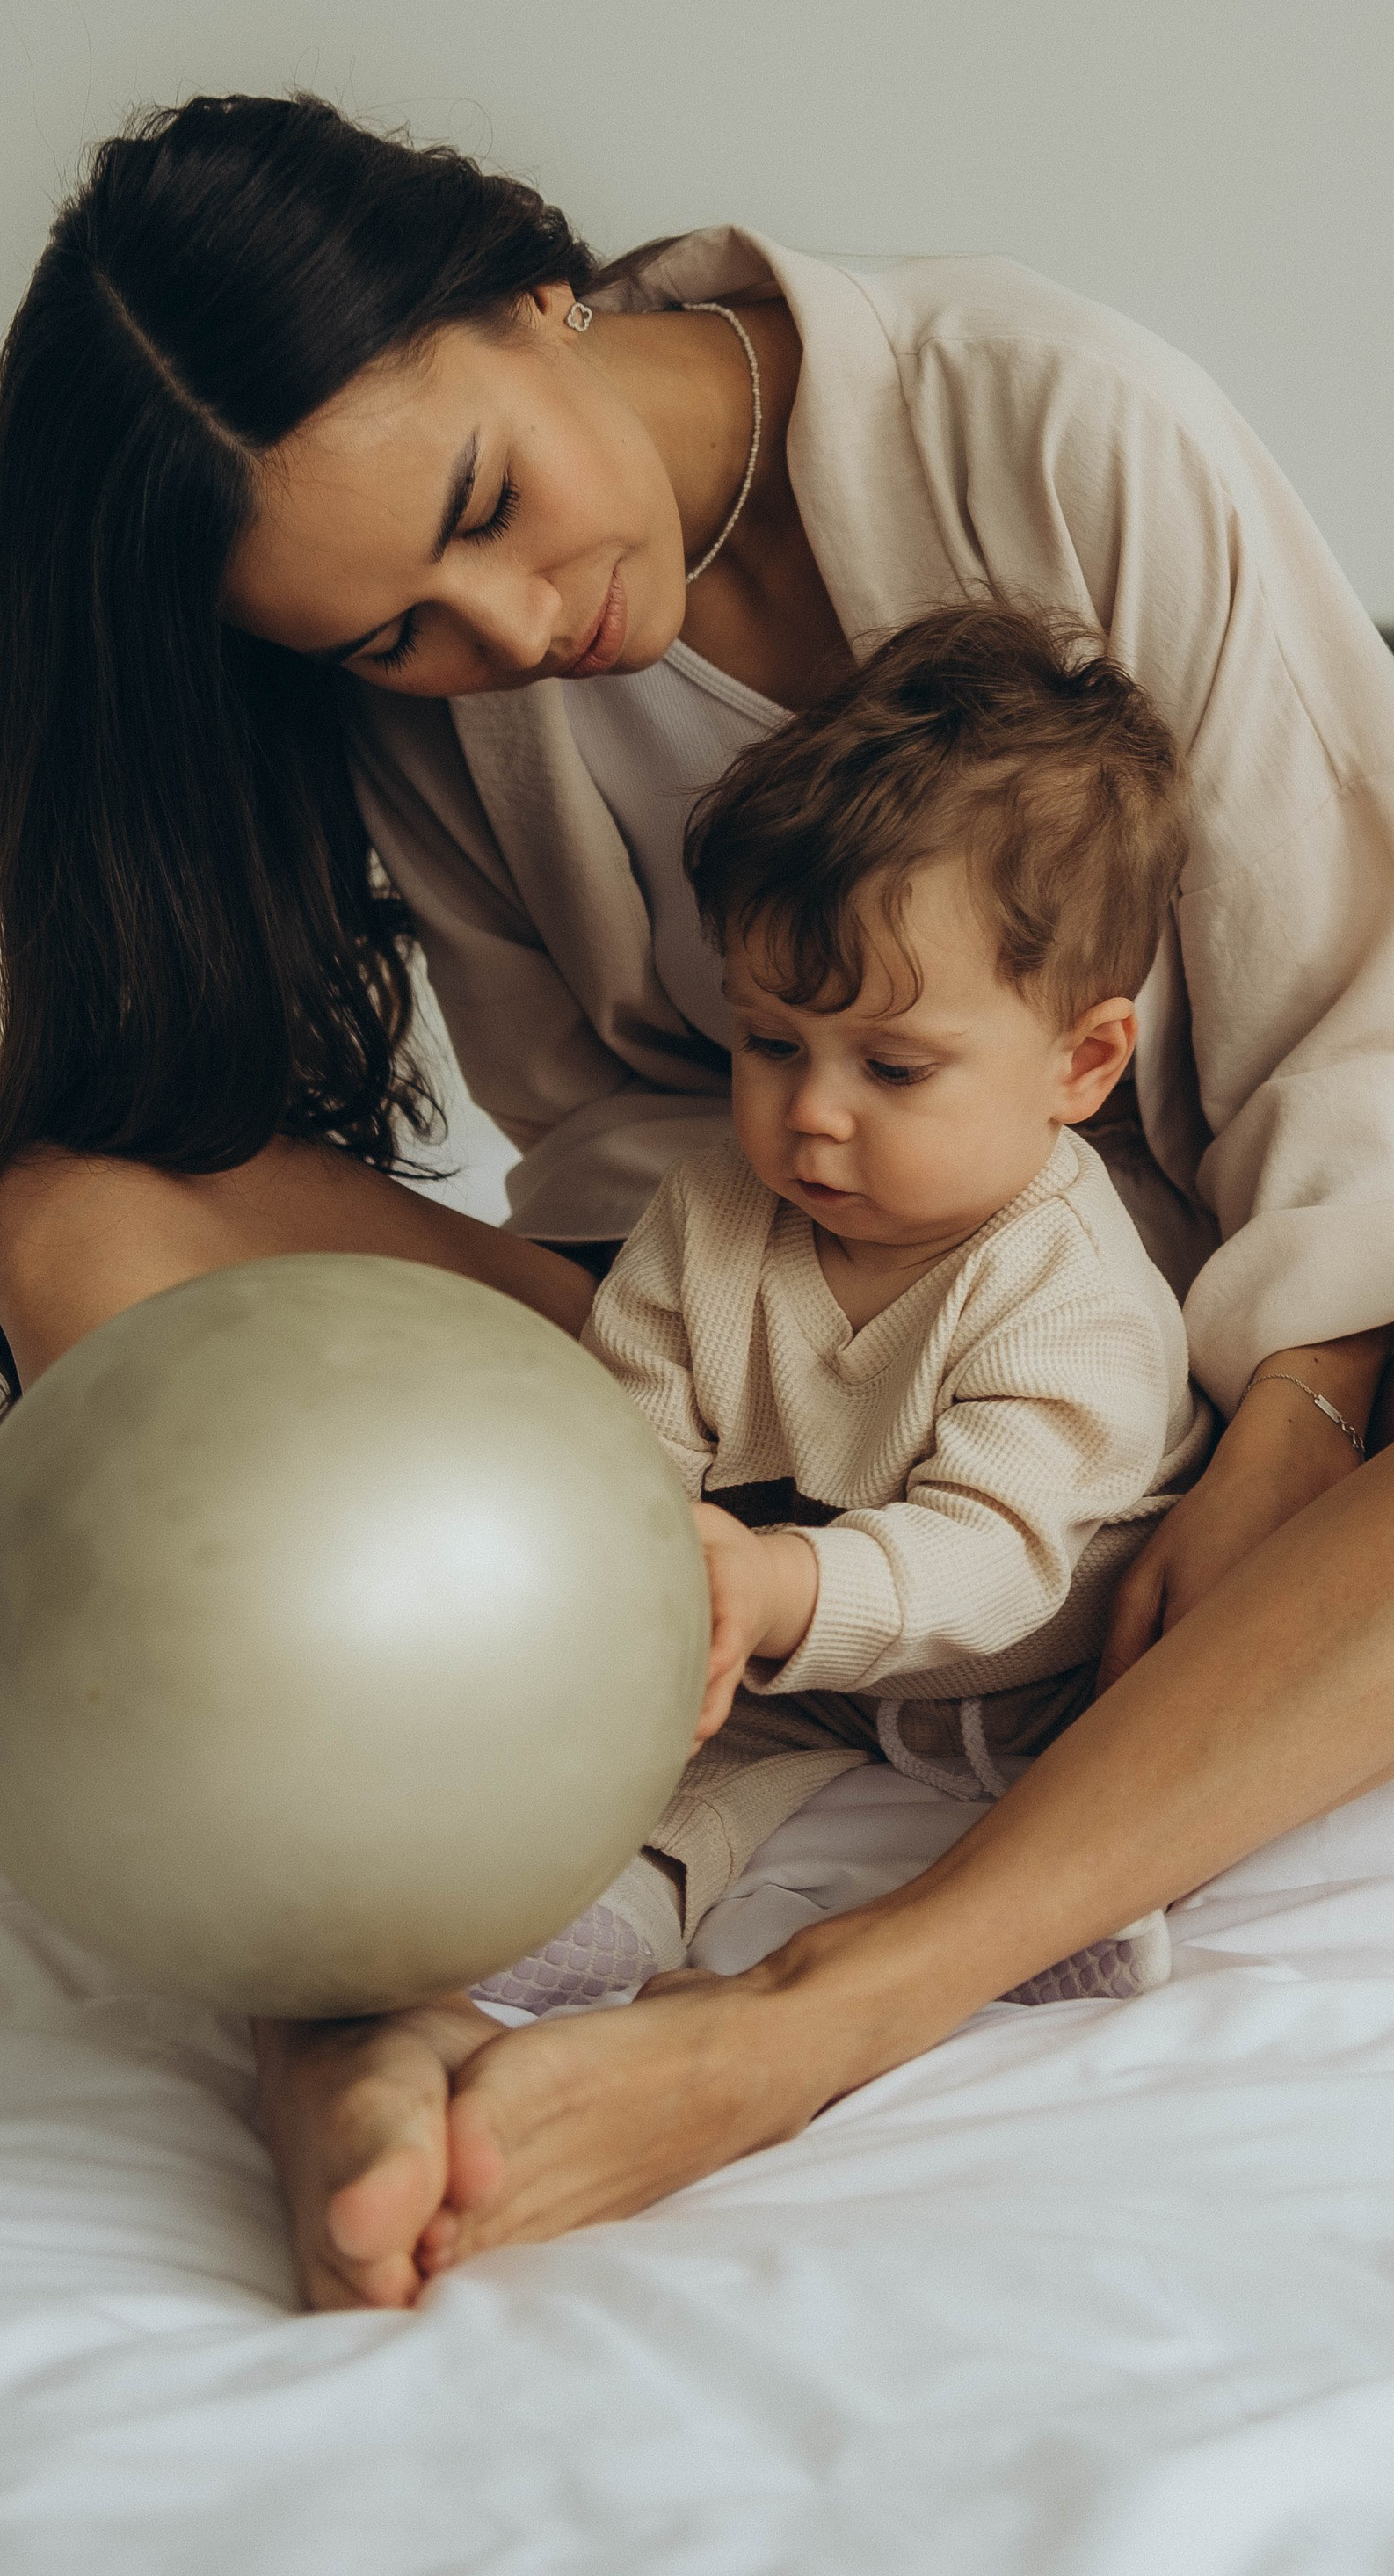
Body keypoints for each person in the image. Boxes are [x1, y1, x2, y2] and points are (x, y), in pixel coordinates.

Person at [0, 93, 1394, 2310]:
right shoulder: (444, 701)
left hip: (1269, 1357)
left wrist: (1290, 1424)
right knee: (77, 1212)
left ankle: (829, 2010)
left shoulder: (1051, 420)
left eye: (484, 507)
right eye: (389, 636)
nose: (505, 627)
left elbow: (1378, 1024)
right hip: (793, 1352)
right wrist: (738, 1500)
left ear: (531, 288)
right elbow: (609, 1142)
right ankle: (351, 2006)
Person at [479, 602, 1209, 2018]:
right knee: (661, 1734)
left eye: (893, 1066)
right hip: (802, 1642)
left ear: (1083, 1060)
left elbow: (997, 1555)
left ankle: (1040, 1906)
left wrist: (779, 1587)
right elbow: (635, 1437)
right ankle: (617, 1896)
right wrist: (655, 1590)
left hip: (1050, 1655)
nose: (810, 1115)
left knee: (1156, 1746)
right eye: (770, 1041)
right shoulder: (710, 1218)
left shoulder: (1065, 1286)